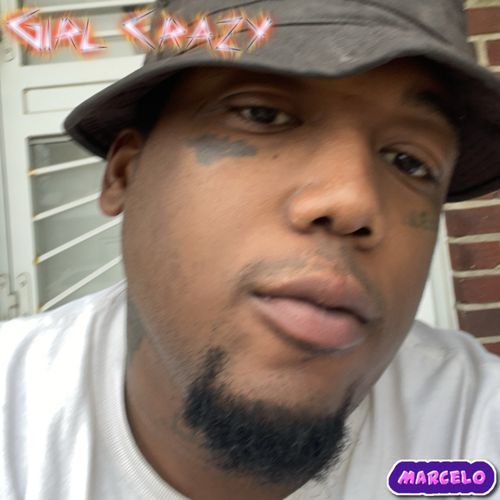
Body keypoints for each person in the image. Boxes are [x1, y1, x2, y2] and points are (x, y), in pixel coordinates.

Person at [1, 1, 500, 499]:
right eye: (263, 114)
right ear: (125, 174)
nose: (352, 202)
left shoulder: (472, 432)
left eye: (410, 162)